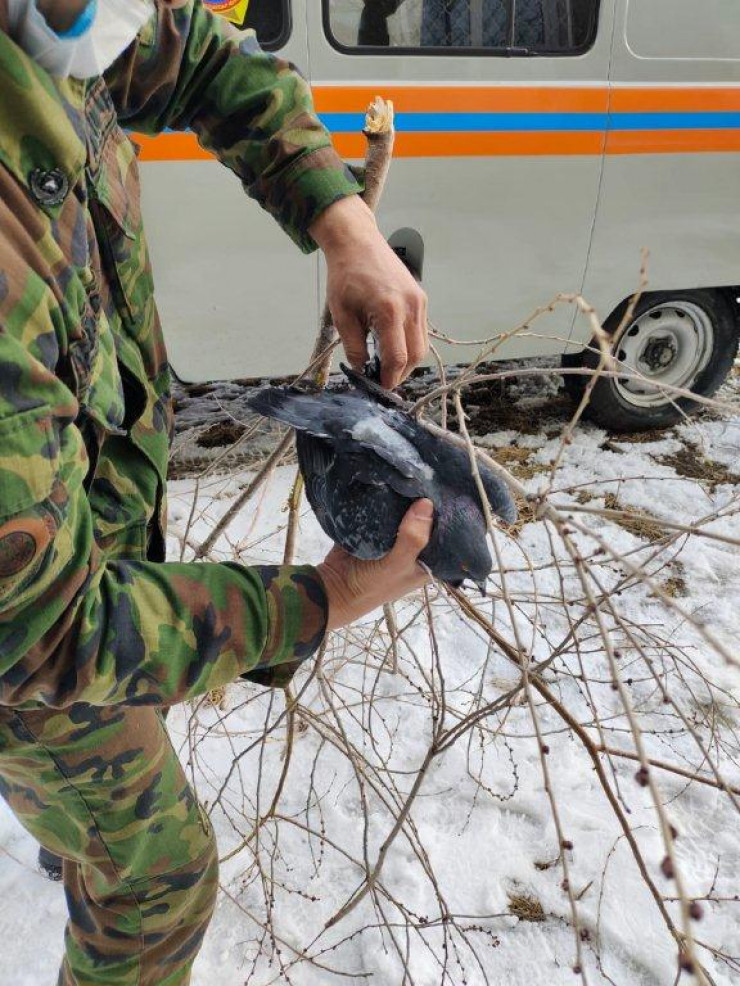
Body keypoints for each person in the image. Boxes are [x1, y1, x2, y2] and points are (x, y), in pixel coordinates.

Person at [0, 1, 431, 982]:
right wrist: (320, 601)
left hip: (84, 547)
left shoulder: (51, 24)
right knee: (159, 886)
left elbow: (194, 57)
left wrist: (343, 221)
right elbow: (47, 634)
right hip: (35, 647)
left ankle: (68, 829)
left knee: (95, 807)